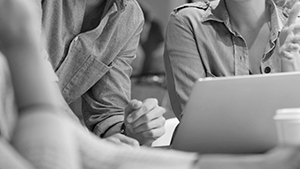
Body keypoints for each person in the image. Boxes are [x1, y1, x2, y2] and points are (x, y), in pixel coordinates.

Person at [3, 0, 300, 168]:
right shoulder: (25, 10)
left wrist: (131, 127)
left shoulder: (128, 16)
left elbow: (107, 119)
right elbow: (48, 129)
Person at [35, 0, 166, 146]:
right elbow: (33, 81)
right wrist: (86, 143)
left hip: (51, 138)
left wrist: (130, 130)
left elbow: (107, 113)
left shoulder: (130, 16)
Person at [164, 0, 300, 119]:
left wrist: (289, 63)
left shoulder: (295, 28)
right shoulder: (187, 22)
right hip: (214, 148)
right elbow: (196, 123)